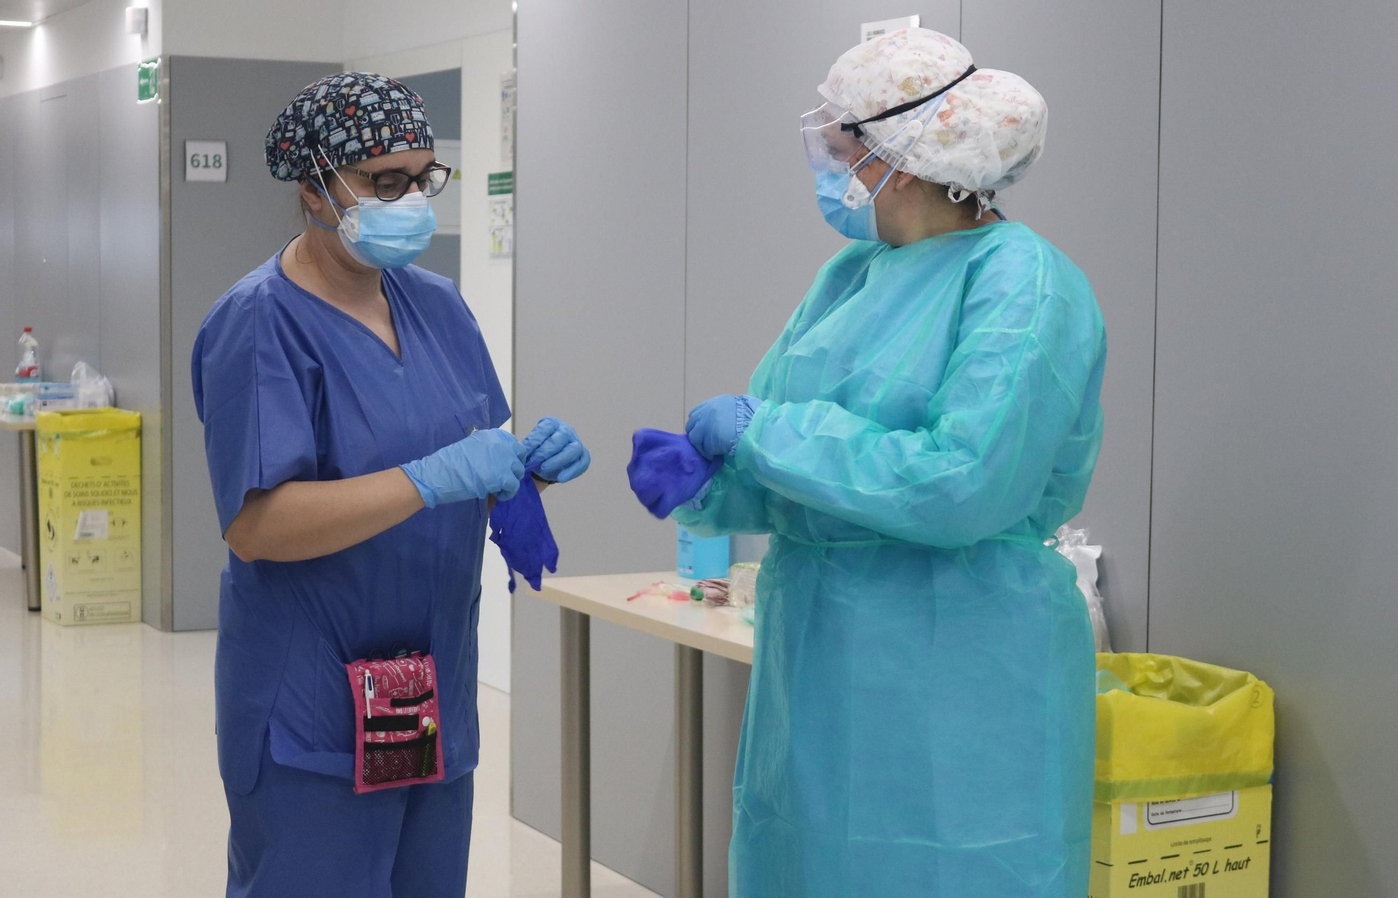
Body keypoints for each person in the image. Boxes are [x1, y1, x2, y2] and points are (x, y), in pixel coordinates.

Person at [674, 29, 1106, 897]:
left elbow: (964, 482)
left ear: (900, 158)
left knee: (950, 869)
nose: (828, 167)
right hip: (817, 661)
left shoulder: (1024, 284)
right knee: (807, 860)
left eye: (840, 146)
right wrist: (710, 483)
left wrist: (764, 434)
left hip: (957, 673)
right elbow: (787, 454)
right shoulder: (853, 275)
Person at [191, 72, 589, 898]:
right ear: (313, 189)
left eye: (422, 178)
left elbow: (467, 484)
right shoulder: (259, 322)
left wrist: (524, 475)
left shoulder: (439, 307)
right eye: (384, 182)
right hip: (313, 697)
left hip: (427, 686)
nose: (411, 199)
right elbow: (258, 525)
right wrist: (426, 477)